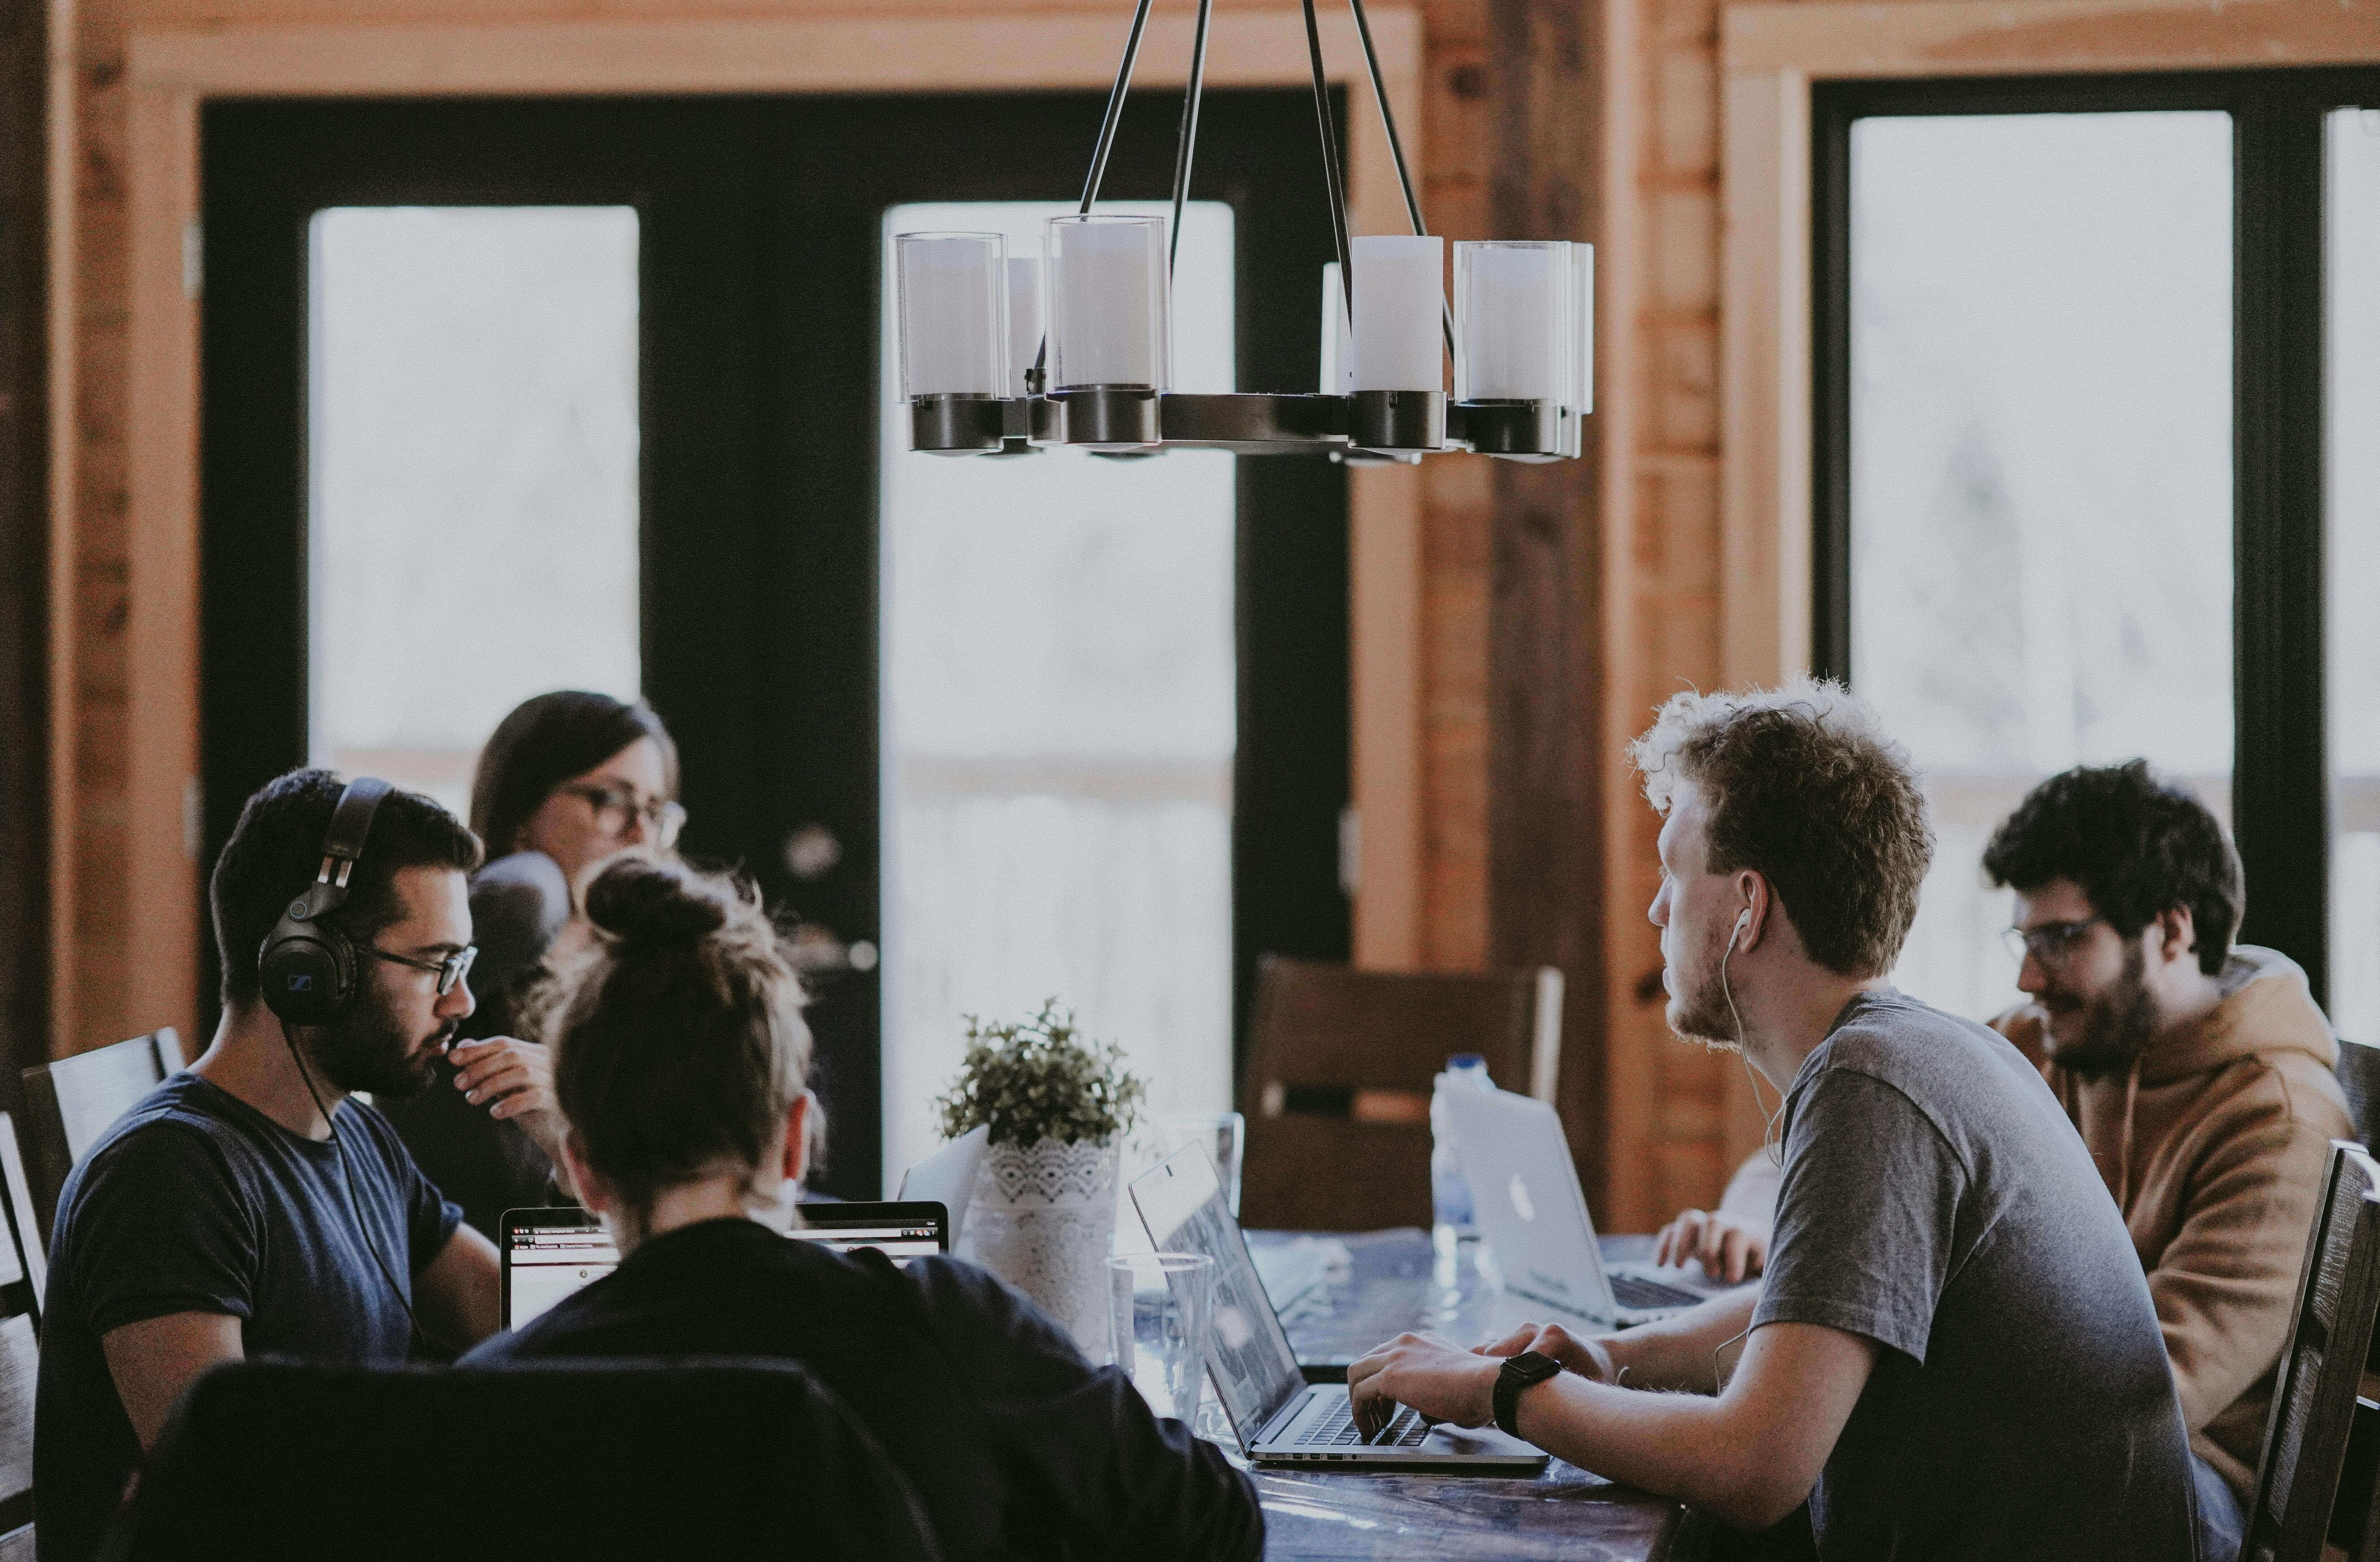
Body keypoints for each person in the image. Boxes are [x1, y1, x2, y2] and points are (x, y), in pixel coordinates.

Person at [1347, 681, 2196, 1559]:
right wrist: (1610, 1355)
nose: (1656, 908)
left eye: (1673, 872)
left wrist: (1497, 1388)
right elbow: (1816, 1302)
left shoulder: (1870, 1082)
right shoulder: (1928, 1049)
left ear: (1748, 905)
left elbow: (1754, 1464)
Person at [460, 854, 1263, 1562]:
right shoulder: (945, 1325)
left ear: (583, 1167)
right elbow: (1216, 1523)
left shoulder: (491, 1399)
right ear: (794, 1138)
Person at [1651, 760, 2345, 1557]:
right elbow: (1842, 1149)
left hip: (2182, 1496)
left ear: (2171, 929)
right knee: (1722, 1492)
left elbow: (2145, 1393)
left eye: (2060, 939)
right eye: (2023, 937)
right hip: (2038, 1446)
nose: (2026, 974)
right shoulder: (2039, 1039)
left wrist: (1821, 1365)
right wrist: (1751, 1223)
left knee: (1761, 1477)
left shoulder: (2278, 1117)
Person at [34, 770, 560, 1562]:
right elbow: (230, 1502)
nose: (460, 1004)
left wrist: (575, 1140)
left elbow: (541, 1326)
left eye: (464, 964)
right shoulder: (168, 1175)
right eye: (434, 965)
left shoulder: (358, 1137)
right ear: (307, 966)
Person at [380, 691, 682, 1240]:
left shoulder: (650, 972)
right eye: (612, 800)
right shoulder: (479, 950)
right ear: (522, 809)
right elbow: (521, 896)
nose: (641, 835)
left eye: (657, 812)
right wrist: (538, 875)